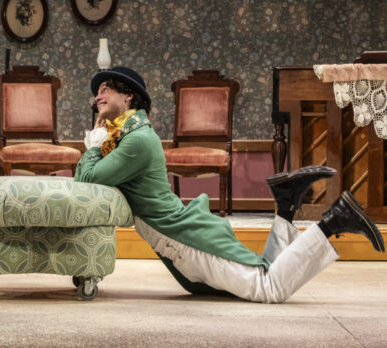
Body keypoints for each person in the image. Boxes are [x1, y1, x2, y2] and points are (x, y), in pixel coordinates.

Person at [74, 66, 385, 303]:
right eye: (97, 92)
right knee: (262, 270)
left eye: (106, 89)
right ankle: (286, 206)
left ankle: (333, 222)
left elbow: (86, 178)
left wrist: (94, 141)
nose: (97, 96)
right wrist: (101, 139)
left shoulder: (137, 141)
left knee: (268, 287)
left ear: (128, 95)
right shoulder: (126, 137)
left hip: (185, 239)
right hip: (182, 238)